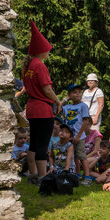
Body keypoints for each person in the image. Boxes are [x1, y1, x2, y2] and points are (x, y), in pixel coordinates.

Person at [22, 20, 62, 183]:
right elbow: (46, 89)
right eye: (47, 50)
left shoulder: (27, 66)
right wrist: (58, 101)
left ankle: (32, 174)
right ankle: (42, 177)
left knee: (34, 143)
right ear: (41, 51)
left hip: (31, 107)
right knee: (42, 144)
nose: (48, 53)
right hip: (42, 109)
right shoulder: (40, 65)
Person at [62, 84, 91, 181]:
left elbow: (85, 121)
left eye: (79, 92)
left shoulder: (83, 106)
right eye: (74, 92)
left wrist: (78, 136)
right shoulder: (67, 107)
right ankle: (77, 174)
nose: (77, 94)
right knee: (74, 156)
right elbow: (58, 108)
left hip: (79, 136)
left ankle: (87, 176)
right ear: (69, 94)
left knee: (82, 156)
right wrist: (66, 98)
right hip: (69, 137)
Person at [80, 121, 102, 185]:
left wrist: (84, 158)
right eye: (84, 124)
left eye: (88, 124)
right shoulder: (80, 134)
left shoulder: (95, 134)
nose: (86, 127)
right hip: (82, 156)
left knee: (84, 162)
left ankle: (89, 177)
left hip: (94, 156)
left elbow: (96, 150)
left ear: (90, 124)